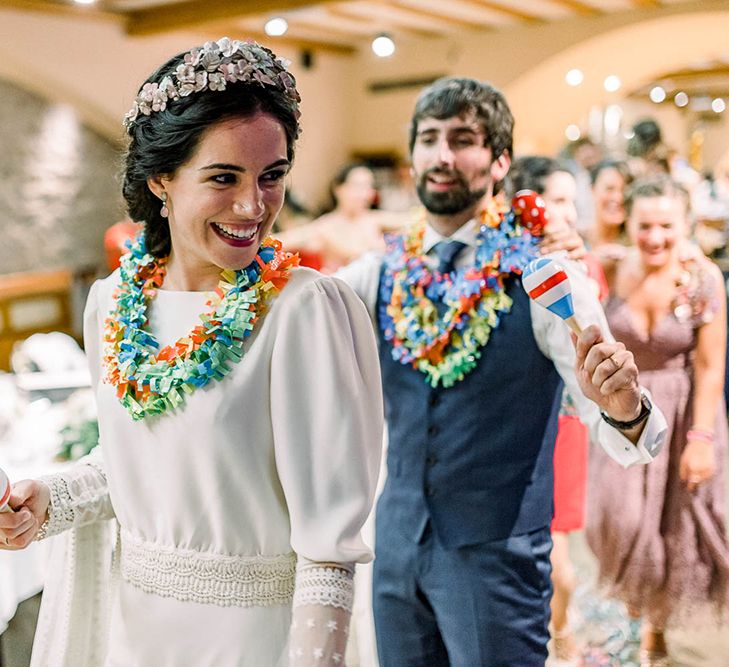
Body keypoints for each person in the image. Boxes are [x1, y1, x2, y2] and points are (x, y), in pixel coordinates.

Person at [0, 38, 383, 667]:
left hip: (256, 641)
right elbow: (133, 464)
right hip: (132, 635)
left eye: (272, 175)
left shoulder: (304, 312)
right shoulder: (111, 304)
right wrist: (54, 500)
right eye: (223, 177)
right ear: (161, 180)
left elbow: (329, 548)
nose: (253, 206)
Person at [336, 77, 667, 666]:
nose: (442, 156)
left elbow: (617, 419)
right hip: (395, 543)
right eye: (429, 139)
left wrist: (624, 408)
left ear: (499, 160)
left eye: (463, 139)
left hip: (499, 555)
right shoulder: (377, 274)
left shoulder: (545, 276)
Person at [586, 176, 729, 666]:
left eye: (666, 225)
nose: (655, 237)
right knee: (621, 520)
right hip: (624, 413)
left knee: (675, 528)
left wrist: (702, 438)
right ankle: (628, 625)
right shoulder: (606, 266)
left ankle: (656, 637)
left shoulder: (702, 280)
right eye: (645, 225)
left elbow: (710, 367)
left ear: (684, 224)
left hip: (684, 408)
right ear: (629, 221)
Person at [510, 155, 608, 662]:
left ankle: (561, 637)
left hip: (565, 422)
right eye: (561, 200)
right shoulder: (499, 258)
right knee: (542, 562)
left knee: (561, 563)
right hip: (516, 424)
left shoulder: (578, 259)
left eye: (574, 200)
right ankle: (554, 639)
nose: (571, 213)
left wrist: (575, 265)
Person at [278, 163, 404, 273]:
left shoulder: (376, 219)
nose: (365, 194)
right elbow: (282, 241)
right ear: (338, 189)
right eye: (358, 186)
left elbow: (416, 220)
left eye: (369, 187)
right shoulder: (324, 227)